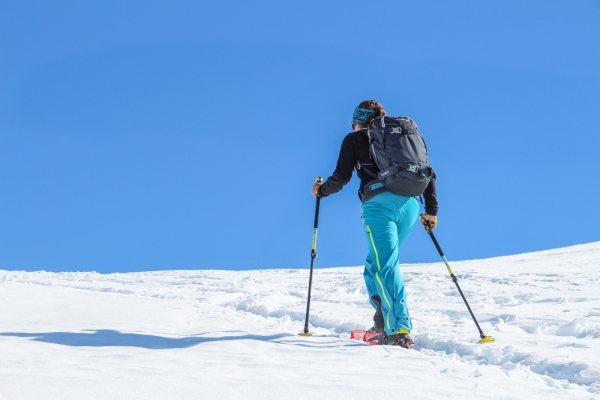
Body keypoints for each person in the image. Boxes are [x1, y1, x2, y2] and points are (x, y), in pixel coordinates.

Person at [311, 100, 438, 347]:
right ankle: (381, 323)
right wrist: (431, 211)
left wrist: (320, 191)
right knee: (374, 265)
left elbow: (341, 177)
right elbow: (428, 172)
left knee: (385, 266)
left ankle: (398, 328)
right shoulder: (404, 139)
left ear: (358, 121)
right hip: (411, 204)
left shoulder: (354, 139)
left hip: (379, 205)